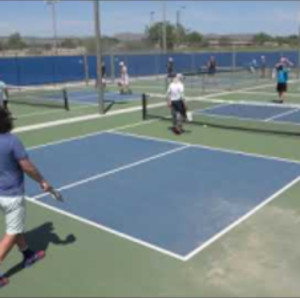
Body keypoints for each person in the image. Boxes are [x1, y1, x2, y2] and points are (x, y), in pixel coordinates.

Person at [0, 107, 54, 287]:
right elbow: (27, 167)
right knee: (13, 231)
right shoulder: (12, 141)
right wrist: (43, 181)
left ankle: (27, 254)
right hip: (12, 195)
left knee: (16, 226)